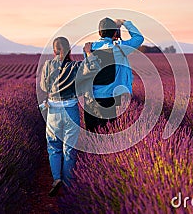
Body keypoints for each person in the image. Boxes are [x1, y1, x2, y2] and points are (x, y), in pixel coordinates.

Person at [39, 37, 100, 196]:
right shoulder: (76, 66)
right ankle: (67, 185)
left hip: (53, 111)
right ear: (69, 51)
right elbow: (94, 68)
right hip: (70, 110)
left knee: (53, 146)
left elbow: (44, 86)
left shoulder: (47, 66)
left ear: (54, 51)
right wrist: (88, 53)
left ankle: (56, 178)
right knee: (69, 149)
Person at [84, 17, 144, 132]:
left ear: (99, 32)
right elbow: (139, 38)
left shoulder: (88, 48)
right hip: (109, 97)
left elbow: (89, 70)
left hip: (90, 98)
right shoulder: (119, 48)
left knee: (92, 135)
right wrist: (125, 22)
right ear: (115, 32)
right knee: (107, 132)